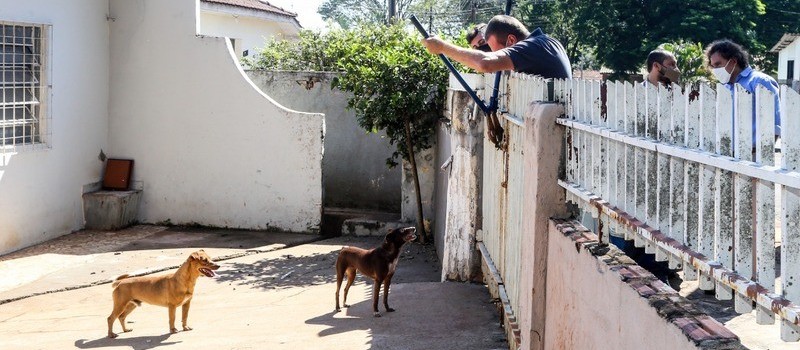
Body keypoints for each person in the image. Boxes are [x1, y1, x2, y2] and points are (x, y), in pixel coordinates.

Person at [421, 15, 572, 79]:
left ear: (511, 40)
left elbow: (485, 63)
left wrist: (442, 47)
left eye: (497, 50)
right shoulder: (547, 42)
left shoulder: (531, 48)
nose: (495, 54)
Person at [706, 39, 781, 147]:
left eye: (718, 64)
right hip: (727, 154)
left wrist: (761, 152)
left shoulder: (760, 81)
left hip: (754, 154)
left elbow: (775, 124)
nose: (715, 70)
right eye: (713, 66)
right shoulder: (725, 87)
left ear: (733, 61)